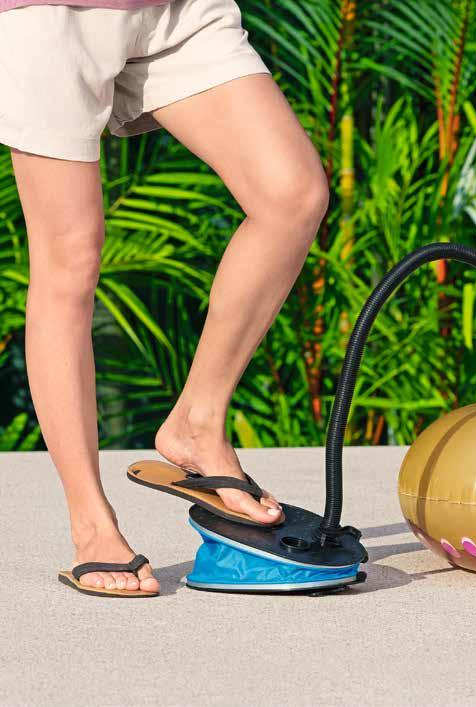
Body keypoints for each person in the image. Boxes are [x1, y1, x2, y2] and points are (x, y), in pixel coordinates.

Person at [0, 0, 329, 596]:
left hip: (175, 10)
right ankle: (91, 524)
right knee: (70, 260)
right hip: (49, 16)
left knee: (292, 192)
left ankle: (198, 423)